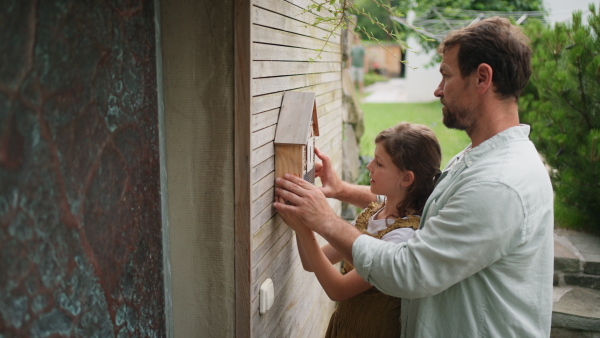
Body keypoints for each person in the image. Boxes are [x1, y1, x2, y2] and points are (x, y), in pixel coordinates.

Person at [274, 17, 554, 337]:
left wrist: (326, 221)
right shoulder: (481, 160)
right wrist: (341, 190)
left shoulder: (498, 183)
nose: (437, 90)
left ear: (482, 78)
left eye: (445, 75)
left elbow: (409, 271)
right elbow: (420, 203)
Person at [281, 123, 441, 337]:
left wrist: (305, 229)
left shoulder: (402, 237)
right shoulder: (375, 213)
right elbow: (311, 263)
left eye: (379, 163)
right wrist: (302, 220)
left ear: (406, 178)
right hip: (345, 327)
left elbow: (337, 289)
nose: (369, 166)